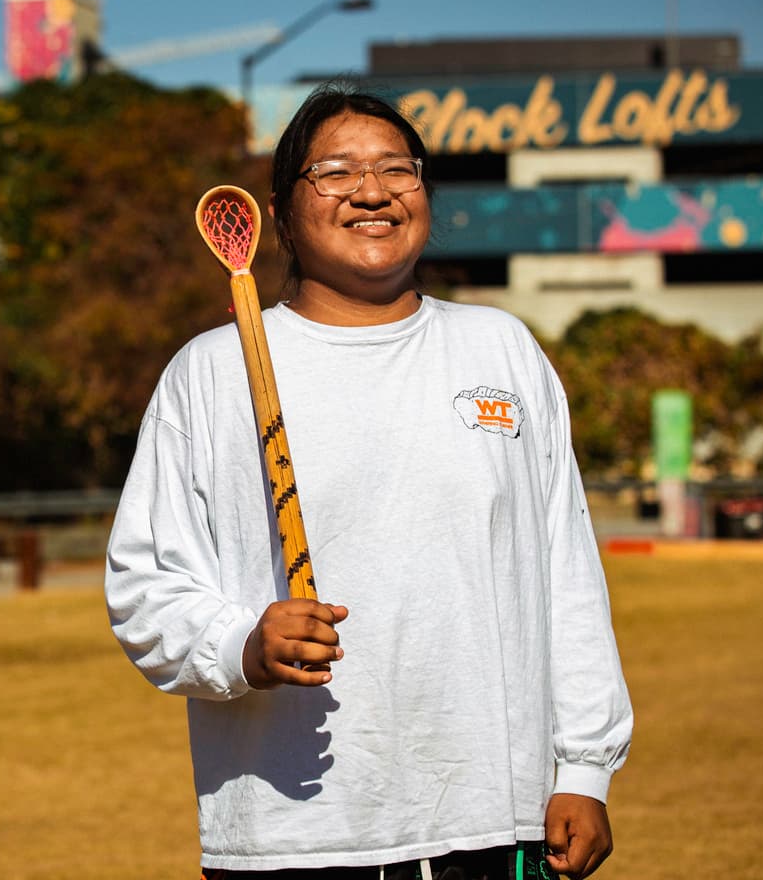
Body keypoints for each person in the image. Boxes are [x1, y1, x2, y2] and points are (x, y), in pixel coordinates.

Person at [105, 84, 632, 880]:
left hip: (495, 819)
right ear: (282, 210)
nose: (374, 191)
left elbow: (565, 573)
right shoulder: (209, 373)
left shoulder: (501, 350)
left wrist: (585, 767)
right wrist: (242, 643)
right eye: (337, 171)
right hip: (292, 837)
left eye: (398, 168)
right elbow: (145, 585)